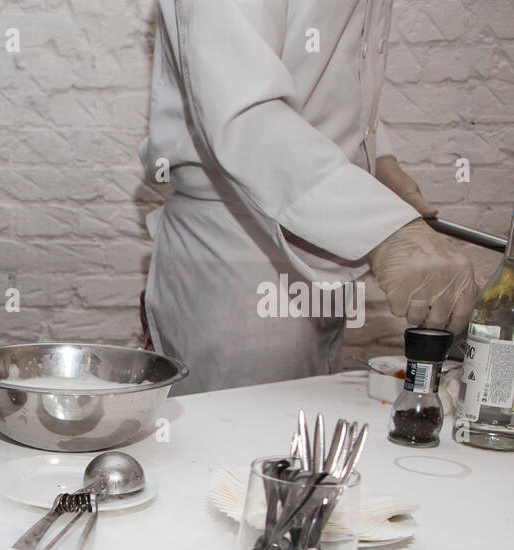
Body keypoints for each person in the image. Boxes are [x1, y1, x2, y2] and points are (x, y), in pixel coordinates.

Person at [140, 0, 479, 394]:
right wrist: (387, 231)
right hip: (239, 253)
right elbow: (245, 113)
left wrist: (376, 159)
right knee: (242, 441)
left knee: (307, 437)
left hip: (320, 229)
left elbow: (322, 66)